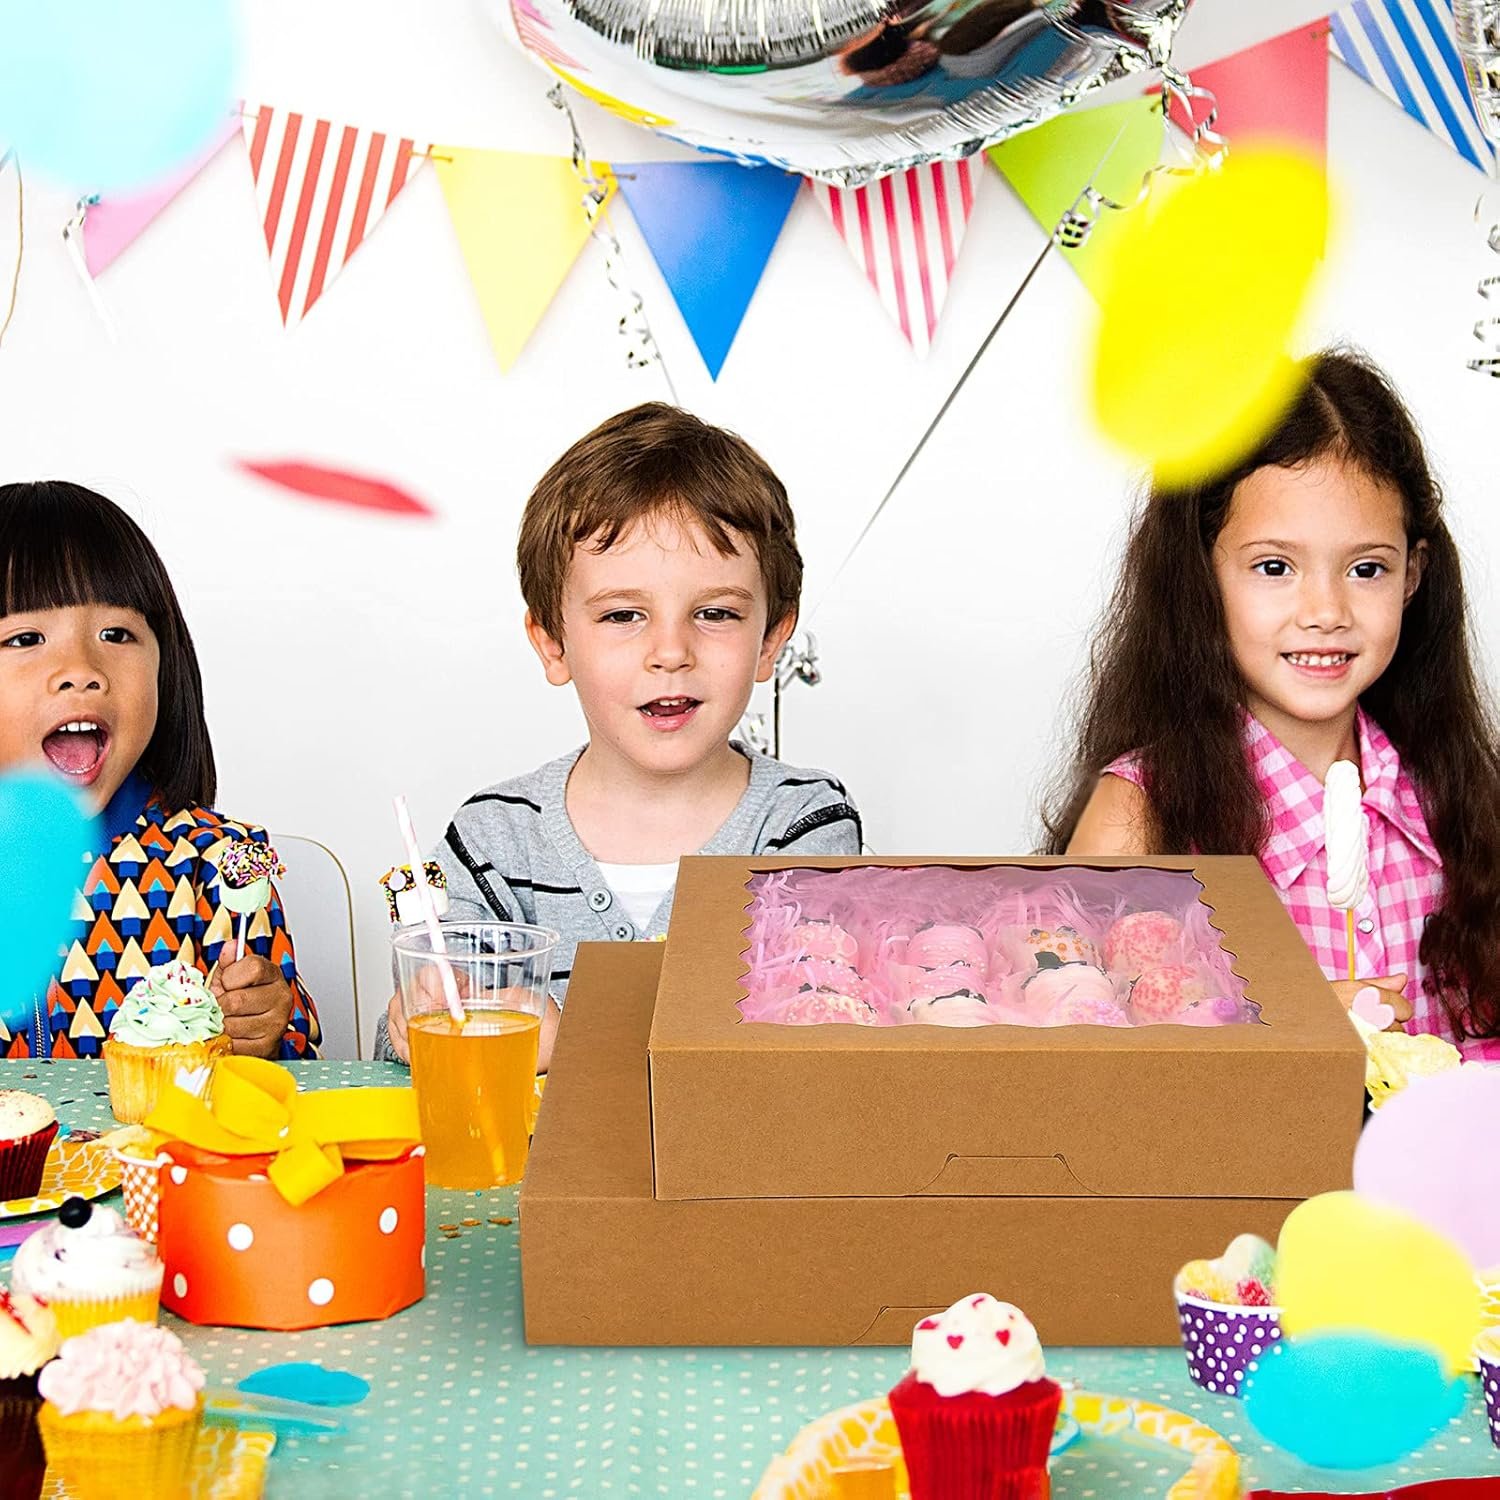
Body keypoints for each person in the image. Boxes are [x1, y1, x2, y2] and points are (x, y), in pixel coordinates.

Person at [1047, 349, 1500, 1060]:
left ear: (1413, 575)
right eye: (1274, 567)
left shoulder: (1457, 804)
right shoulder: (1140, 816)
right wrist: (1290, 1032)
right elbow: (1084, 1078)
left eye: (1366, 568)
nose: (1325, 610)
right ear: (1201, 574)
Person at [377, 403, 862, 1066]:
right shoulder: (492, 840)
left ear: (772, 638)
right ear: (553, 644)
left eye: (715, 612)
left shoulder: (801, 825)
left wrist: (571, 1039)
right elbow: (414, 1059)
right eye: (624, 614)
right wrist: (416, 1020)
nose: (670, 651)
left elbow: (808, 1044)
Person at [0, 481, 320, 1059]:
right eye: (25, 638)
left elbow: (292, 1085)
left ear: (166, 666)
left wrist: (266, 1034)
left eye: (116, 634)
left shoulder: (221, 867)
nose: (81, 670)